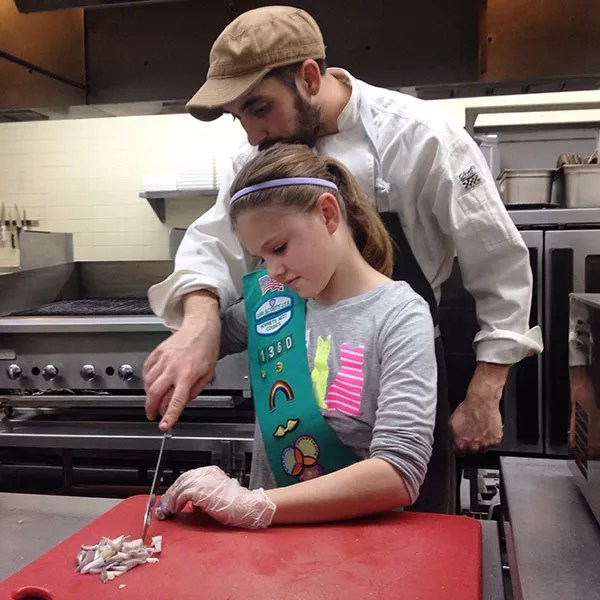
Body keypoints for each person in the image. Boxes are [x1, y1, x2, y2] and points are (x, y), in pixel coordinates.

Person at [143, 6, 543, 514]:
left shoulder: (418, 135)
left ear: (310, 78)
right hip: (296, 384)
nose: (251, 135)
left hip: (396, 370)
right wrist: (200, 326)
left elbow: (498, 261)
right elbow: (211, 246)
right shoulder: (263, 156)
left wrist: (486, 390)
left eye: (260, 107)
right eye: (238, 116)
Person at [156, 142, 437, 529]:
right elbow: (207, 337)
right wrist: (190, 339)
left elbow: (399, 473)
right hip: (270, 548)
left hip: (357, 546)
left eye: (280, 248)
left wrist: (252, 504)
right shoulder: (273, 303)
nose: (273, 271)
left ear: (328, 213)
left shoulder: (399, 315)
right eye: (262, 257)